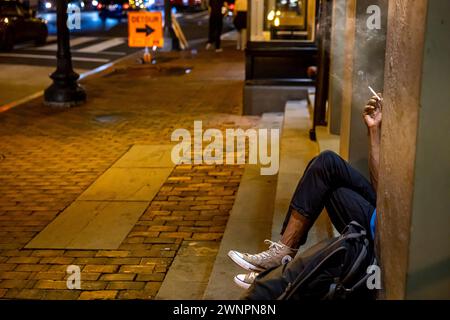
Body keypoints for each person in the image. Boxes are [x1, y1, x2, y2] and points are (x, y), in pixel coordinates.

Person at [229, 94, 383, 289]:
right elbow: (382, 191)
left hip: (382, 228)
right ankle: (282, 255)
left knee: (325, 173)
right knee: (325, 165)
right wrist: (374, 129)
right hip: (379, 213)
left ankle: (278, 274)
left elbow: (385, 198)